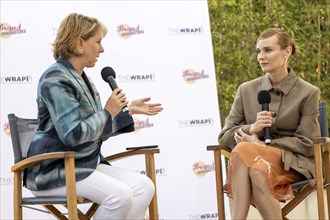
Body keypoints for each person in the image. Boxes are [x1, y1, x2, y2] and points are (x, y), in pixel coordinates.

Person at [25, 13, 163, 219]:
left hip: (84, 164)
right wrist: (108, 111)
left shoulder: (83, 78)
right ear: (80, 43)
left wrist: (128, 111)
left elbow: (95, 132)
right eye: (98, 42)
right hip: (53, 170)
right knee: (120, 196)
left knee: (143, 186)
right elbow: (73, 135)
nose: (102, 49)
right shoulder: (55, 79)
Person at [218, 28, 320, 219]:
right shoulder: (246, 90)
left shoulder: (308, 92)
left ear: (287, 52)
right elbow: (224, 136)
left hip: (291, 163)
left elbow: (307, 143)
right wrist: (252, 128)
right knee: (257, 170)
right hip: (256, 165)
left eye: (268, 50)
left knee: (245, 149)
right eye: (258, 51)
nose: (261, 57)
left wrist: (263, 145)